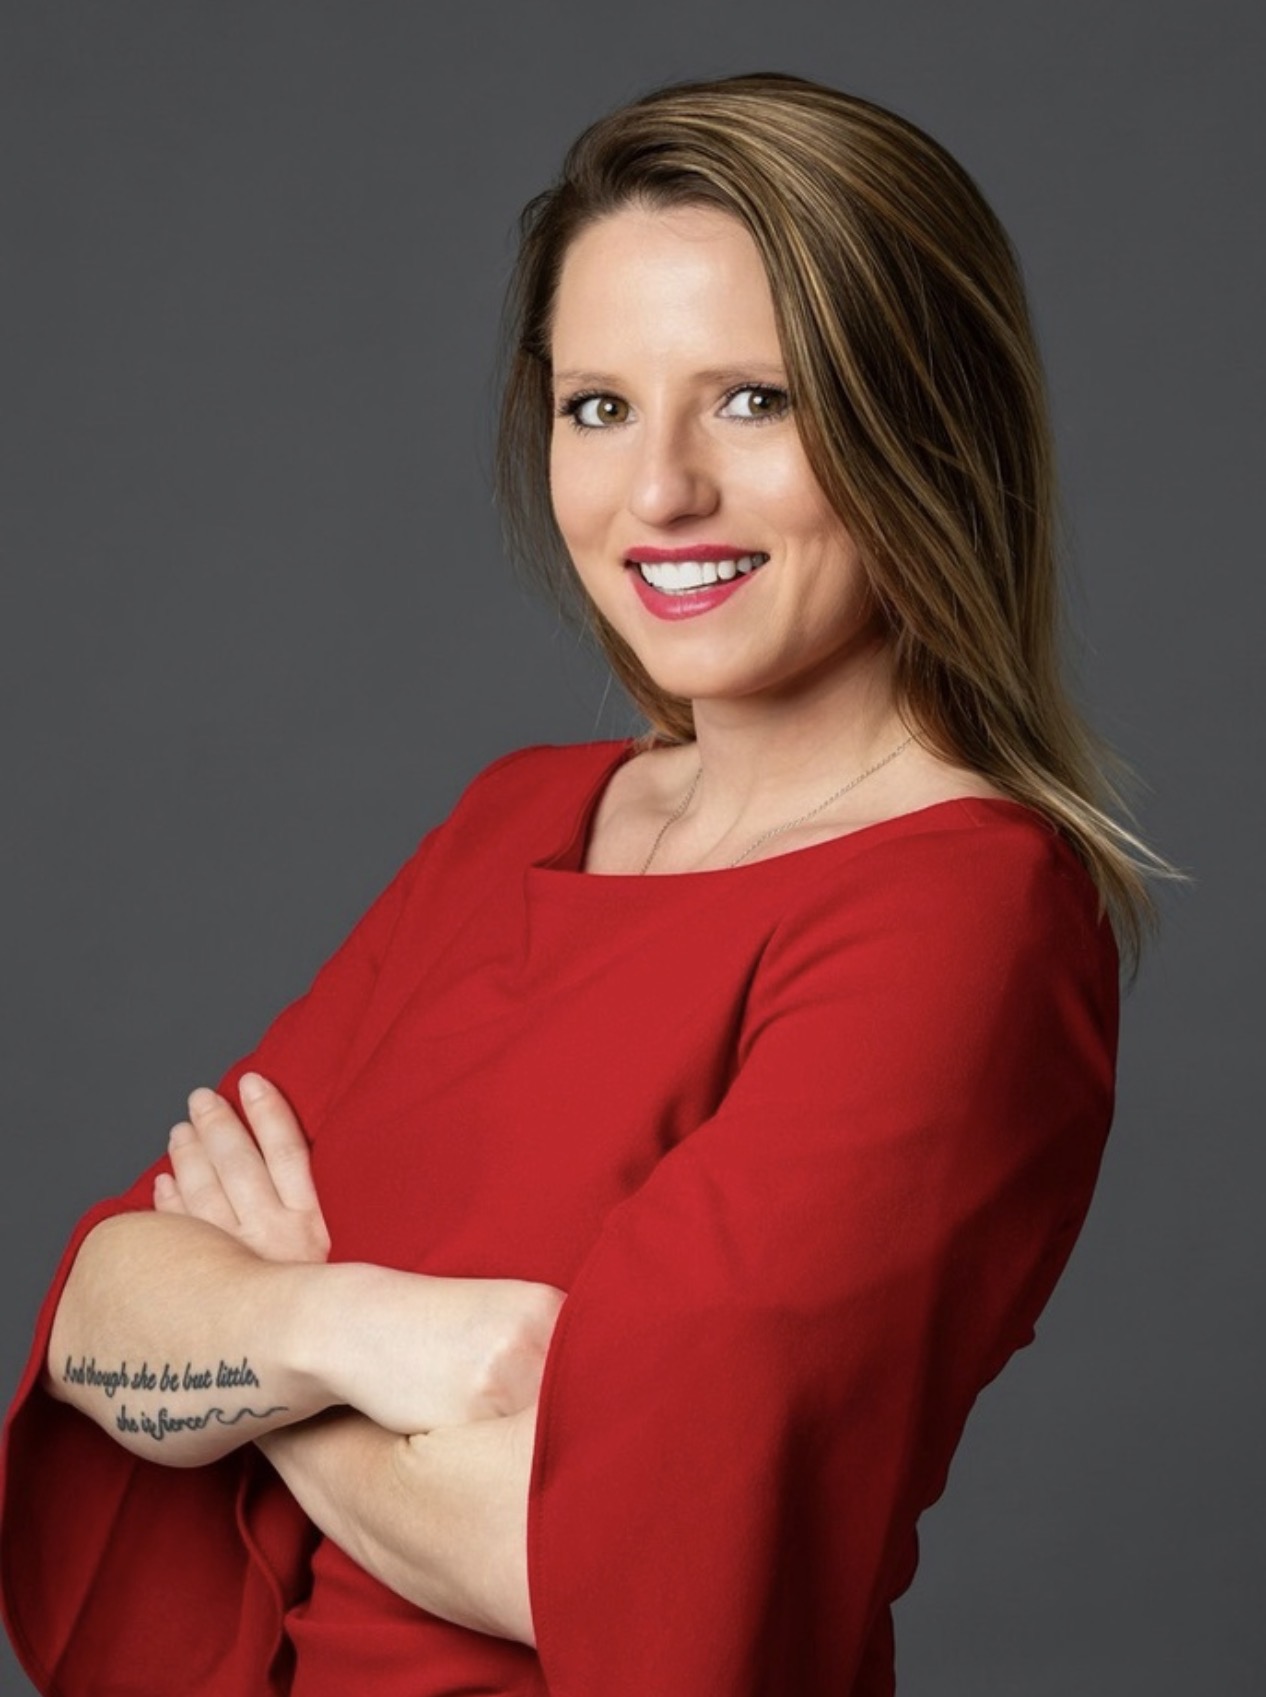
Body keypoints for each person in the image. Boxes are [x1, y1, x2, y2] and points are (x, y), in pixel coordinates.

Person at [0, 71, 1167, 1697]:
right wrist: (393, 1341)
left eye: (752, 399)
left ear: (925, 415)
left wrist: (267, 1343)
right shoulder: (519, 819)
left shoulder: (966, 914)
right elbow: (99, 1326)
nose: (658, 492)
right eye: (596, 405)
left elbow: (598, 1560)